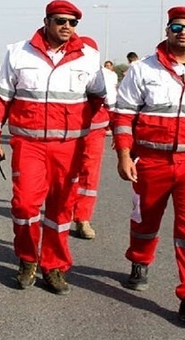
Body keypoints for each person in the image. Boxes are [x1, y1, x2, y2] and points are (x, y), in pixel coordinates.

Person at [113, 6, 185, 326]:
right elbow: (123, 115)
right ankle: (139, 260)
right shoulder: (142, 70)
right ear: (167, 31)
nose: (183, 33)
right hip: (151, 160)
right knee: (145, 220)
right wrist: (123, 155)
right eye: (177, 27)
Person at [0, 0, 106, 295]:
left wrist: (83, 132)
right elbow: (1, 98)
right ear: (46, 21)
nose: (67, 26)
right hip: (29, 146)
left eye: (73, 22)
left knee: (61, 208)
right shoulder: (18, 52)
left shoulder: (89, 57)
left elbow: (97, 99)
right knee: (25, 205)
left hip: (69, 147)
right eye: (60, 20)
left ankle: (54, 266)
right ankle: (28, 259)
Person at [71, 59, 118, 239]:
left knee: (89, 174)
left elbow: (113, 104)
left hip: (95, 129)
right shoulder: (64, 70)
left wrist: (117, 132)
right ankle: (64, 209)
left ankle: (83, 218)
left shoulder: (107, 75)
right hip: (68, 130)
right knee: (67, 172)